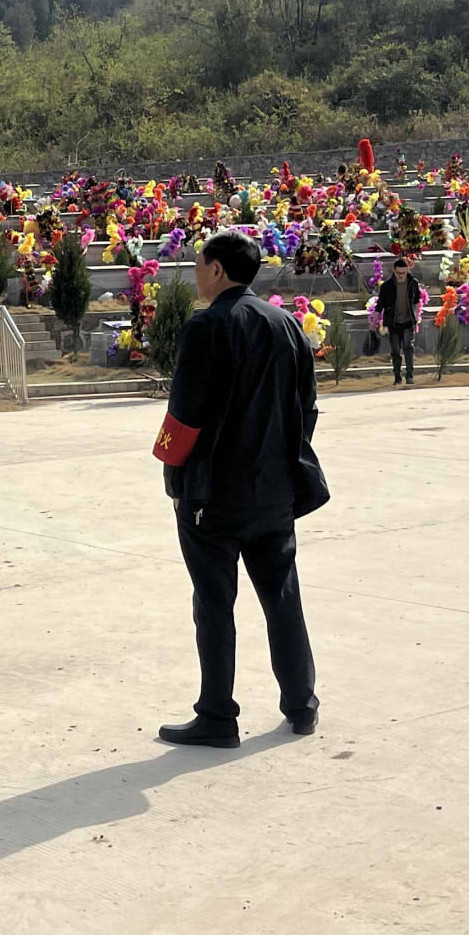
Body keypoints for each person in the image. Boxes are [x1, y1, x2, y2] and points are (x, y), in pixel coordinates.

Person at [153, 230, 325, 748]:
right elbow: (307, 408)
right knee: (282, 599)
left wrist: (174, 477)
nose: (195, 274)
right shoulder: (286, 324)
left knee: (213, 603)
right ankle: (302, 706)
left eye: (199, 265)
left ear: (218, 270)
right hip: (274, 492)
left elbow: (185, 414)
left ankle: (217, 716)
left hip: (214, 494)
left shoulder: (206, 326)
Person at [375, 254, 422, 384]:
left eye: (403, 273)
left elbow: (417, 301)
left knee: (408, 347)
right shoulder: (387, 286)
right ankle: (397, 376)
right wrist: (374, 322)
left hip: (408, 321)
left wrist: (417, 316)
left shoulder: (413, 283)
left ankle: (409, 375)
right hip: (393, 323)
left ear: (407, 270)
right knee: (395, 351)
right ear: (394, 271)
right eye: (398, 273)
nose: (401, 275)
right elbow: (380, 305)